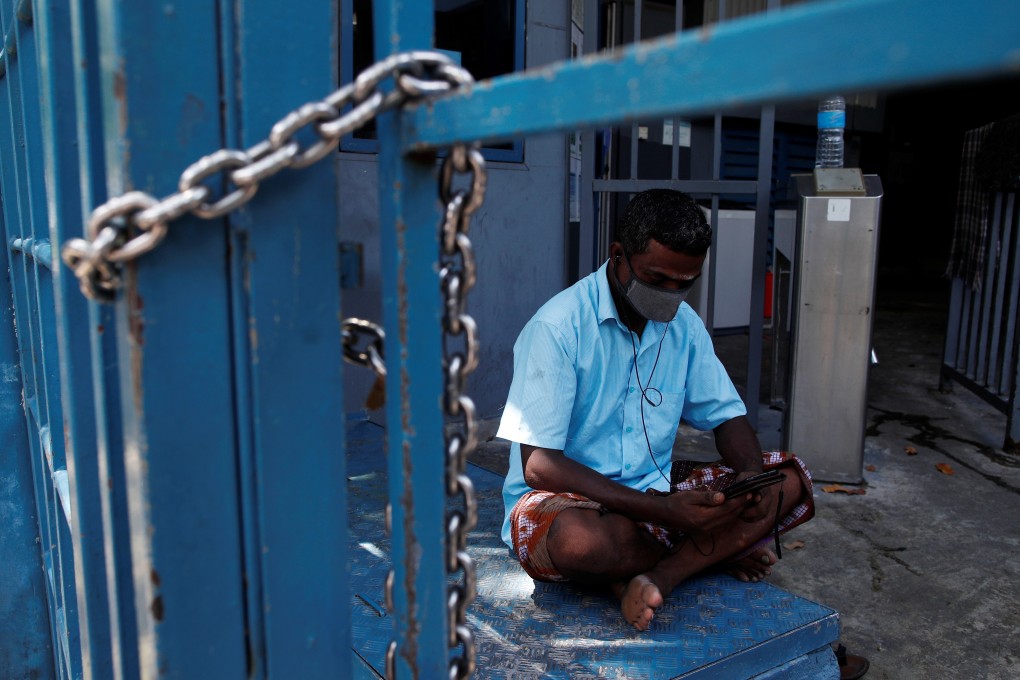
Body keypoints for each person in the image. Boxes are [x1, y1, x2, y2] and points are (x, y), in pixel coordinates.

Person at [496, 189, 815, 632]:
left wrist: (746, 475)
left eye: (685, 283)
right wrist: (665, 514)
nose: (671, 295)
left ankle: (658, 575)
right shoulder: (557, 326)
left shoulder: (684, 325)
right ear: (619, 255)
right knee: (580, 543)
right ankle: (709, 551)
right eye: (657, 279)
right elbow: (540, 467)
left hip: (658, 491)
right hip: (569, 501)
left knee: (786, 482)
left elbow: (727, 416)